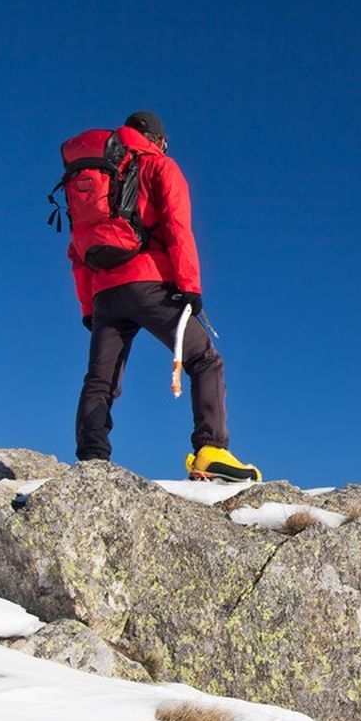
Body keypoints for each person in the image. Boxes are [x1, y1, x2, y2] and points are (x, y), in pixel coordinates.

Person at [70, 110, 261, 482]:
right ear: (156, 139)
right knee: (204, 358)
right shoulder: (159, 167)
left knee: (100, 378)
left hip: (106, 291)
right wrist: (190, 286)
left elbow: (77, 250)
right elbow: (177, 226)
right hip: (150, 283)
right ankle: (211, 450)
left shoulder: (94, 175)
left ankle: (91, 461)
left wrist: (89, 306)